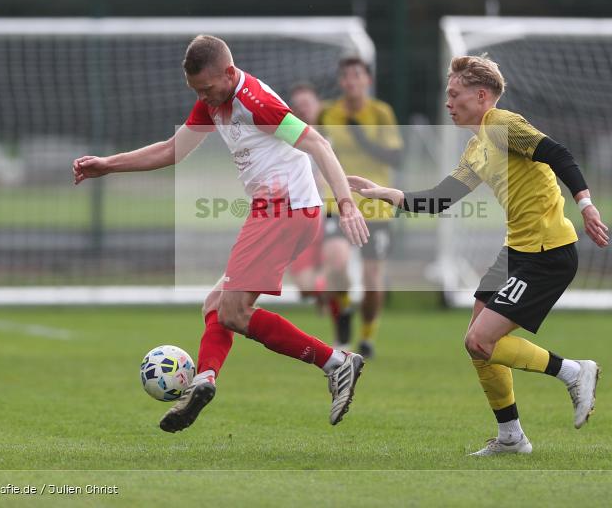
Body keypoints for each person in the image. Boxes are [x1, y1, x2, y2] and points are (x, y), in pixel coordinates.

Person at [73, 35, 369, 432]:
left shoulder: (256, 102)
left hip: (285, 210)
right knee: (216, 305)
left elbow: (318, 144)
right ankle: (205, 379)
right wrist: (108, 165)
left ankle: (335, 362)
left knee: (233, 312)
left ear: (229, 73)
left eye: (207, 88)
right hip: (278, 211)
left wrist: (346, 204)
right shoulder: (214, 100)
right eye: (197, 91)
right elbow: (172, 150)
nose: (204, 98)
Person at [348, 54, 609, 455]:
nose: (448, 103)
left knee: (481, 342)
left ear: (482, 96)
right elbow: (440, 199)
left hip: (547, 252)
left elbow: (559, 155)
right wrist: (387, 194)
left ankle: (574, 372)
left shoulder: (503, 125)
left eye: (455, 94)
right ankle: (511, 437)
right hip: (515, 251)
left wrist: (586, 205)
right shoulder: (476, 147)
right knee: (476, 345)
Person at [319, 57, 402, 357]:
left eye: (357, 75)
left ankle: (367, 336)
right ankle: (343, 316)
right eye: (346, 76)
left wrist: (361, 138)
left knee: (371, 278)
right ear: (341, 82)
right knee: (336, 263)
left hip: (375, 206)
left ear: (368, 80)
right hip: (338, 201)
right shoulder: (328, 112)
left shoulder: (381, 113)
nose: (351, 80)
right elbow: (316, 149)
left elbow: (396, 157)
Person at [286, 82, 328, 307]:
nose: (303, 109)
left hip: (329, 217)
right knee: (305, 288)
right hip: (299, 220)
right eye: (298, 105)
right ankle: (329, 298)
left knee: (337, 270)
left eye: (307, 103)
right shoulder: (286, 143)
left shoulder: (332, 138)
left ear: (318, 105)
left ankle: (337, 306)